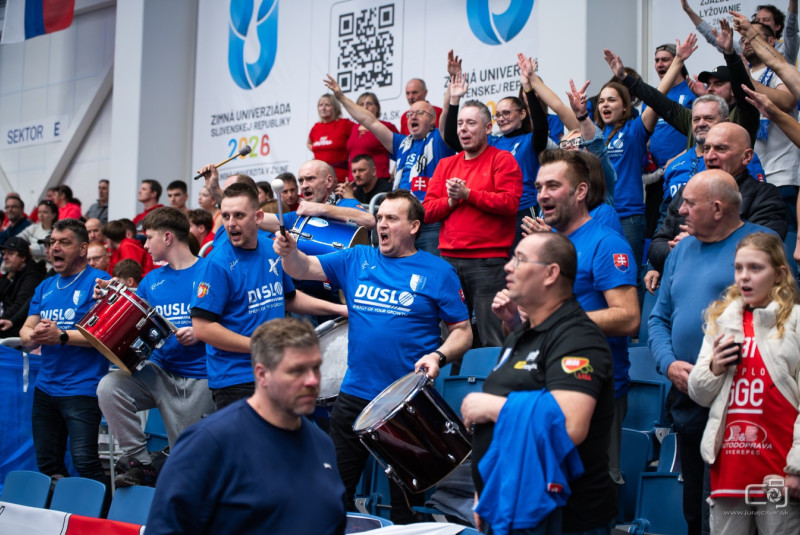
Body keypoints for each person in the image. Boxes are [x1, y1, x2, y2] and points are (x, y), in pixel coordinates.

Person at [274, 189, 471, 523]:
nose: (382, 224)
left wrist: (439, 355)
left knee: (406, 508)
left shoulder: (439, 272)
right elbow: (302, 268)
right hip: (354, 394)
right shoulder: (356, 258)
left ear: (414, 226)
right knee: (333, 494)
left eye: (392, 218)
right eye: (379, 218)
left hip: (408, 400)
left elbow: (463, 331)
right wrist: (290, 252)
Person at [462, 231, 616, 534]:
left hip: (565, 519)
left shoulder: (578, 336)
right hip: (510, 502)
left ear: (550, 273)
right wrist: (488, 489)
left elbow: (570, 425)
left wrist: (492, 407)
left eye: (520, 260)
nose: (508, 266)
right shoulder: (522, 333)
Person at [648, 169, 775, 535]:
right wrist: (668, 364)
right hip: (688, 395)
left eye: (690, 203)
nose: (680, 210)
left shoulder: (760, 245)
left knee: (736, 510)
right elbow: (658, 318)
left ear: (717, 209)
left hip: (743, 402)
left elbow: (781, 318)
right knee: (695, 508)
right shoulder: (681, 249)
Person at [145, 318, 347, 535]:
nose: (312, 381)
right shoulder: (209, 443)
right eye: (297, 371)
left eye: (316, 368)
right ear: (262, 374)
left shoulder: (322, 445)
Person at [524, 149, 639, 486]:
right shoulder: (546, 247)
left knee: (592, 496)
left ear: (580, 191)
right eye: (539, 187)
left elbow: (629, 317)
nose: (542, 195)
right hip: (547, 388)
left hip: (594, 394)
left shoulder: (606, 243)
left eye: (553, 186)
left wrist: (560, 318)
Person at [190, 182, 345, 409]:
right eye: (226, 216)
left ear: (258, 217)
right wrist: (259, 345)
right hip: (237, 379)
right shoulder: (217, 263)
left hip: (277, 370)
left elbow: (289, 298)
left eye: (239, 215)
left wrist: (339, 309)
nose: (231, 223)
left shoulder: (271, 248)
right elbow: (202, 328)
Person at [687, 231, 800, 533]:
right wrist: (715, 367)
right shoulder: (723, 320)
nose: (744, 277)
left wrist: (797, 467)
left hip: (778, 470)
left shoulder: (796, 321)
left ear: (779, 274)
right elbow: (698, 393)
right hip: (731, 468)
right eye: (738, 268)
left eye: (755, 268)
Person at [98, 207, 214, 488]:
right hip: (160, 373)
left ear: (168, 237)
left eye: (149, 238)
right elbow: (135, 322)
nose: (145, 245)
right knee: (109, 387)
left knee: (189, 467)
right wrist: (112, 298)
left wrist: (200, 332)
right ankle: (141, 463)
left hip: (200, 377)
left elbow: (230, 320)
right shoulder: (151, 281)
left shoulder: (210, 270)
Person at [19, 219, 111, 491]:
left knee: (85, 462)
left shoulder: (99, 282)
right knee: (48, 464)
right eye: (52, 243)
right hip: (45, 388)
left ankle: (103, 513)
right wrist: (34, 336)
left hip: (82, 389)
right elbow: (26, 329)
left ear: (82, 249)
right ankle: (60, 512)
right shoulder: (46, 286)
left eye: (64, 242)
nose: (54, 248)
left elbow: (103, 335)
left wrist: (60, 336)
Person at [423, 100, 522, 348]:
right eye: (460, 124)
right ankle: (450, 375)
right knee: (450, 337)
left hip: (488, 262)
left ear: (488, 128)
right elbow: (427, 211)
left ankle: (496, 375)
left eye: (470, 123)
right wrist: (451, 201)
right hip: (448, 261)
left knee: (493, 337)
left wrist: (468, 194)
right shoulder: (446, 164)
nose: (463, 129)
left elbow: (509, 203)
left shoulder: (503, 160)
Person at [323, 74, 455, 255]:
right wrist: (341, 97)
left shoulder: (439, 141)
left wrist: (452, 87)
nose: (413, 117)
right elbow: (369, 121)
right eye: (410, 114)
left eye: (420, 113)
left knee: (430, 270)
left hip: (429, 222)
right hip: (401, 220)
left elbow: (447, 113)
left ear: (433, 120)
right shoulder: (401, 143)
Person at [647, 122, 786, 290]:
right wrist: (680, 251)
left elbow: (764, 251)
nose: (709, 156)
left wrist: (693, 245)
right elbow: (656, 247)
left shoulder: (765, 196)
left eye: (721, 149)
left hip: (734, 293)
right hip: (682, 287)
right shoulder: (686, 191)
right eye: (706, 149)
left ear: (747, 157)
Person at [442, 53, 550, 250]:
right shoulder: (491, 142)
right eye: (497, 115)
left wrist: (528, 87)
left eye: (506, 113)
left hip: (524, 211)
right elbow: (451, 138)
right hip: (494, 211)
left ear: (522, 114)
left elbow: (541, 127)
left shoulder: (530, 140)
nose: (501, 118)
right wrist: (454, 99)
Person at [601, 50, 661, 295]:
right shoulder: (594, 134)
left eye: (611, 100)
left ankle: (634, 321)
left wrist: (678, 61)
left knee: (631, 277)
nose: (605, 104)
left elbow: (657, 99)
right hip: (601, 216)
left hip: (629, 217)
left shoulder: (635, 130)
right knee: (605, 275)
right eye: (601, 100)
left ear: (625, 106)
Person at [260, 160, 375, 234]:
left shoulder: (346, 204)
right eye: (301, 181)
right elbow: (256, 219)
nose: (304, 186)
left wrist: (321, 208)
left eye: (310, 179)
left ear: (329, 181)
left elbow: (369, 221)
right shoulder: (298, 217)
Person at [682, 0, 799, 66]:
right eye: (757, 20)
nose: (760, 22)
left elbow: (790, 28)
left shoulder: (786, 49)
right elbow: (713, 36)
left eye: (766, 20)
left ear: (777, 26)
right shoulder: (746, 47)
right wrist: (688, 10)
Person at [345, 92, 399, 180]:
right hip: (355, 181)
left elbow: (403, 150)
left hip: (378, 180)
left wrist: (395, 172)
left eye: (369, 104)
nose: (365, 107)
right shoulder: (353, 128)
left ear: (377, 107)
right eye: (361, 104)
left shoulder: (386, 126)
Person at [0, 237, 46, 337]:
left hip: (20, 325)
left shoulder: (32, 276)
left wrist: (3, 319)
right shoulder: (11, 273)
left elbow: (20, 304)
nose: (5, 257)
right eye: (3, 253)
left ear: (23, 257)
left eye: (10, 253)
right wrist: (8, 278)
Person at [307, 93, 353, 182]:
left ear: (335, 107)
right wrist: (322, 150)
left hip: (340, 177)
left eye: (327, 105)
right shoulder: (316, 127)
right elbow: (308, 143)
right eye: (320, 105)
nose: (323, 108)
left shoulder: (345, 124)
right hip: (319, 178)